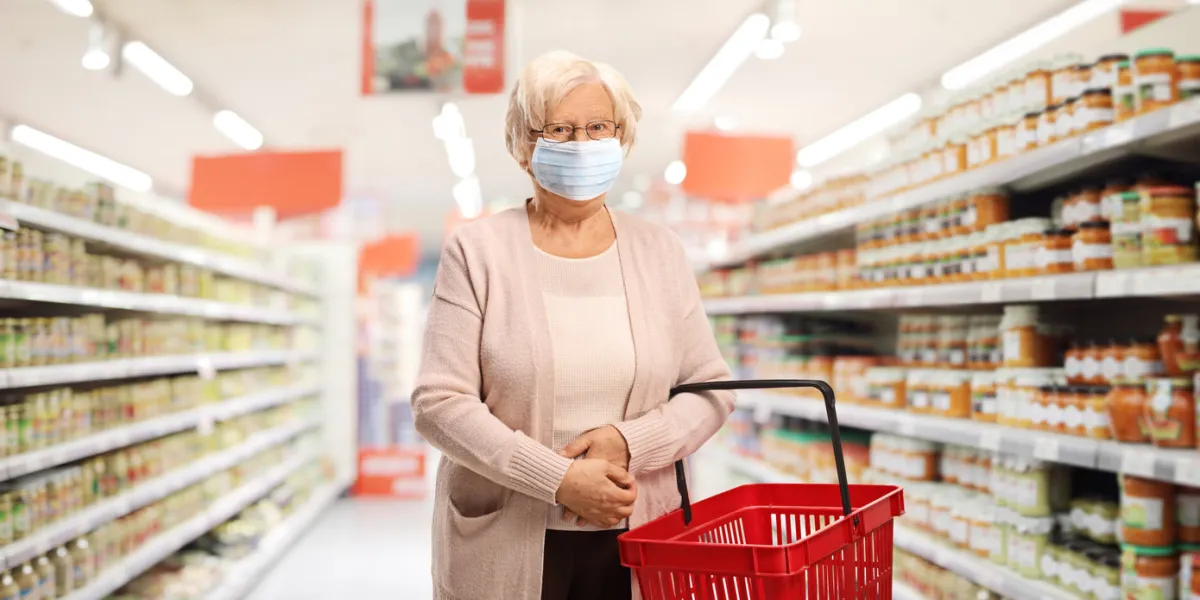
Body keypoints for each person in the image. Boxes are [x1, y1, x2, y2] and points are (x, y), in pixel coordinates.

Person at [412, 50, 734, 600]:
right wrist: (557, 478)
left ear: (621, 136)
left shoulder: (660, 251)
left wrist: (630, 443)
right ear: (524, 146)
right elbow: (439, 404)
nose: (582, 145)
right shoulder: (478, 251)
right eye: (559, 129)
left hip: (639, 534)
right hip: (505, 539)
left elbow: (712, 390)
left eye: (597, 127)